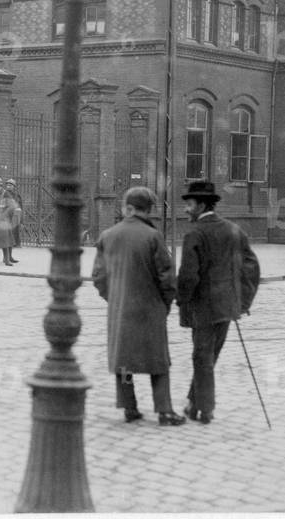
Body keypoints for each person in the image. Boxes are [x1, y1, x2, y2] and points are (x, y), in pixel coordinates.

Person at [92, 187, 185, 427]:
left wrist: (115, 299)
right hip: (150, 310)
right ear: (148, 210)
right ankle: (164, 410)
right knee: (158, 361)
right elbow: (167, 277)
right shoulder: (153, 236)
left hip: (120, 311)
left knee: (123, 362)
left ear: (128, 208)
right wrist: (164, 305)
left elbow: (99, 277)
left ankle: (129, 407)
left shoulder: (107, 236)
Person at [176, 180, 261, 424]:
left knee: (202, 357)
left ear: (202, 206)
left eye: (189, 204)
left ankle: (205, 408)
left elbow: (188, 276)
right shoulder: (234, 230)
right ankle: (193, 403)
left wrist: (181, 300)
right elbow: (252, 268)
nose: (186, 209)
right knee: (209, 356)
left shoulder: (194, 234)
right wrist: (242, 302)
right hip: (227, 307)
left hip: (202, 308)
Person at [4, 178, 23, 263]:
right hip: (6, 219)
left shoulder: (17, 196)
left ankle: (10, 256)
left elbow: (21, 208)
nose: (8, 186)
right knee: (6, 238)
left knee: (12, 239)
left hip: (15, 220)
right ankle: (6, 257)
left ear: (14, 187)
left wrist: (21, 221)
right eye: (7, 185)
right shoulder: (3, 194)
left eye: (10, 185)